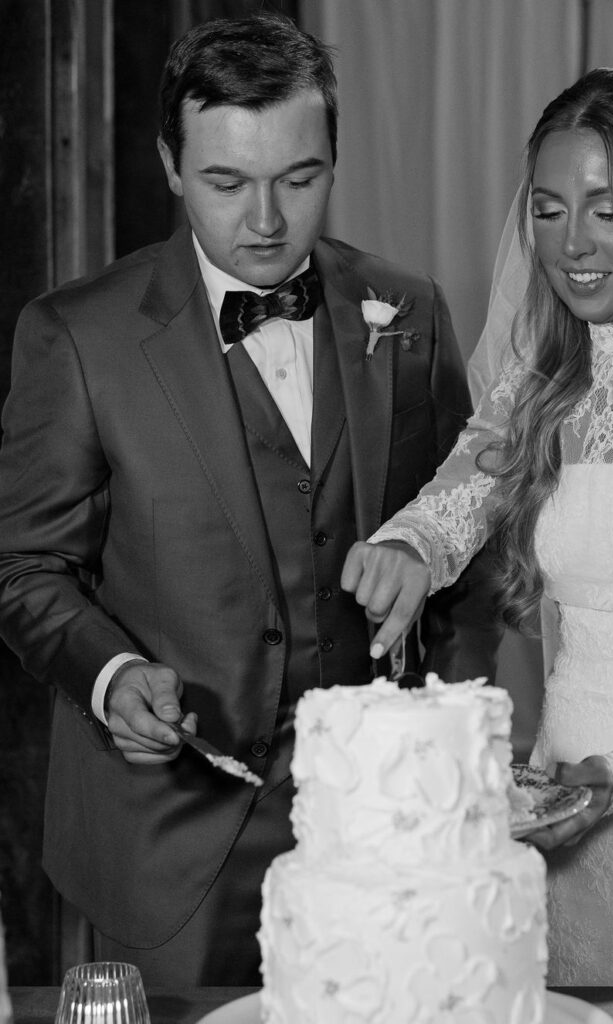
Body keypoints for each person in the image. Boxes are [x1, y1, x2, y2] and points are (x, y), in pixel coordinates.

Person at [0, 12, 501, 986]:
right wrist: (109, 678)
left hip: (381, 824)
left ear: (331, 158)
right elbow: (26, 567)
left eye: (297, 178)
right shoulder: (77, 337)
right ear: (171, 165)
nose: (265, 219)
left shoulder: (408, 309)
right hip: (173, 839)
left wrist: (449, 747)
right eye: (228, 182)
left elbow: (465, 537)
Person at [342, 68, 613, 1023]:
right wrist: (408, 549)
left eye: (607, 208)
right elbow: (453, 500)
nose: (572, 243)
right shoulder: (536, 386)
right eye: (548, 210)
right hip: (563, 819)